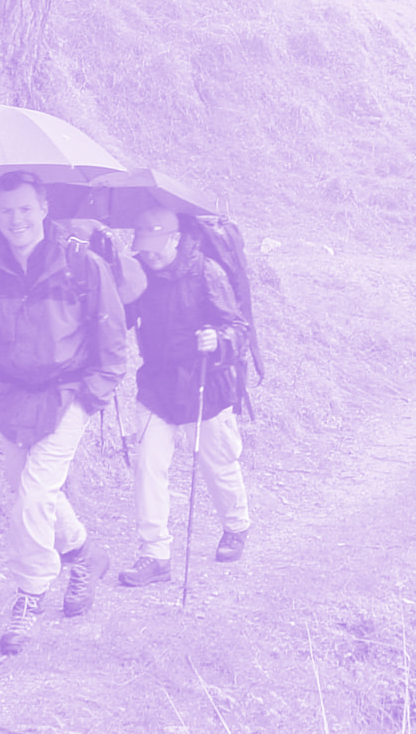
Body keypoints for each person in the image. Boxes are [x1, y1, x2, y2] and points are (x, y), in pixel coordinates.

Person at [0, 171, 127, 654]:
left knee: (32, 497)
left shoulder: (80, 263)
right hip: (14, 394)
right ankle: (85, 554)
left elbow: (113, 342)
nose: (17, 219)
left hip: (68, 391)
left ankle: (30, 593)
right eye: (7, 210)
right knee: (27, 487)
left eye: (26, 208)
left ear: (44, 208)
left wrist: (91, 395)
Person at [118, 205, 251, 589]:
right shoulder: (138, 272)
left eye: (156, 247)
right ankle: (155, 554)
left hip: (205, 380)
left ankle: (236, 524)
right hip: (157, 384)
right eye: (144, 247)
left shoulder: (206, 272)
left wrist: (219, 340)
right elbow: (119, 316)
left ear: (175, 239)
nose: (150, 254)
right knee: (148, 466)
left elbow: (238, 328)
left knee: (217, 464)